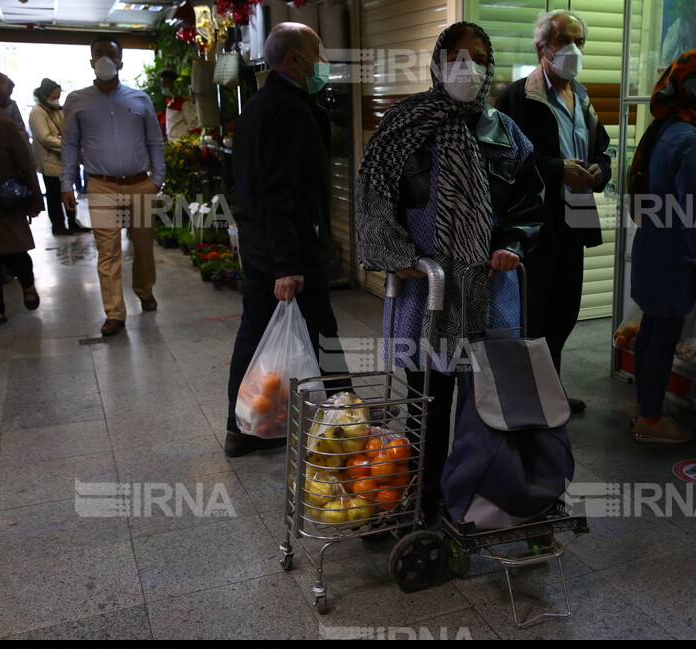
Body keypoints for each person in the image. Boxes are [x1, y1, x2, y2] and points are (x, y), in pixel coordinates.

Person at [355, 22, 544, 521]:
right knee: (427, 398)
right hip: (428, 288)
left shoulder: (506, 134)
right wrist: (396, 253)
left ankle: (477, 495)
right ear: (437, 63)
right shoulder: (402, 126)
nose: (467, 65)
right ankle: (418, 497)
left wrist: (511, 244)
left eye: (478, 56)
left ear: (491, 65)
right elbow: (374, 200)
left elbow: (529, 204)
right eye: (456, 55)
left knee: (488, 397)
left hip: (489, 284)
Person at [226, 22, 348, 458]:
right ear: (295, 58)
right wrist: (289, 264)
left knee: (254, 333)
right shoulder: (291, 109)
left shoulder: (259, 104)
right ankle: (344, 418)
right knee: (323, 333)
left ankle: (240, 427)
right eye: (318, 52)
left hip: (263, 244)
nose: (324, 62)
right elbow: (281, 191)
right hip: (288, 248)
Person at [495, 9, 611, 414]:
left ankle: (551, 389)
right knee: (534, 313)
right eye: (564, 41)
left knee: (565, 309)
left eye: (579, 40)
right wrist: (556, 169)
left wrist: (600, 168)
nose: (573, 49)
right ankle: (528, 399)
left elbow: (602, 147)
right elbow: (506, 161)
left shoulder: (581, 96)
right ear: (541, 47)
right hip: (535, 222)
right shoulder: (518, 97)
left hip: (575, 218)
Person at [627, 49, 696, 443]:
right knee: (662, 335)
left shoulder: (664, 130)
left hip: (652, 246)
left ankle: (644, 407)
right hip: (675, 255)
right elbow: (694, 210)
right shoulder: (692, 139)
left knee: (652, 330)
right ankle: (651, 421)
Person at [60, 35, 165, 337]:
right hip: (101, 185)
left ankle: (144, 289)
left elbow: (155, 141)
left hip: (139, 184)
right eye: (99, 53)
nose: (105, 58)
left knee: (143, 246)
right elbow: (69, 144)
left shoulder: (139, 99)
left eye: (111, 53)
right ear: (91, 61)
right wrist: (66, 183)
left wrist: (157, 179)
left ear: (121, 61)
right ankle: (115, 312)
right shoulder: (77, 100)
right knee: (107, 250)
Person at [0, 72, 44, 329]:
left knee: (16, 252)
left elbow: (25, 164)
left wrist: (35, 201)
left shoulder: (4, 126)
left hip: (8, 200)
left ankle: (27, 284)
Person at [29, 78, 87, 235]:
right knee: (54, 196)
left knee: (69, 193)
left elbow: (68, 130)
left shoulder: (57, 110)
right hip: (50, 162)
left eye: (58, 96)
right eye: (54, 97)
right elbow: (45, 138)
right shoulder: (38, 112)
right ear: (46, 95)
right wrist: (69, 146)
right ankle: (58, 226)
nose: (57, 99)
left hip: (64, 162)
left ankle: (73, 222)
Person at [159, 68, 199, 143]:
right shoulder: (169, 101)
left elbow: (193, 123)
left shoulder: (183, 101)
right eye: (162, 83)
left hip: (183, 142)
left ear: (174, 83)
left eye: (166, 83)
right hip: (172, 142)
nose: (163, 86)